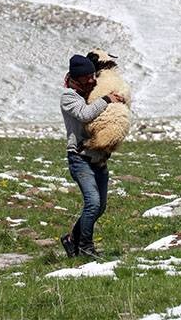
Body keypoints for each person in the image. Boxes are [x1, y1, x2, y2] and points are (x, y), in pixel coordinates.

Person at [59, 54, 125, 258]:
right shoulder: (69, 98)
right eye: (86, 77)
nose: (91, 80)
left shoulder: (91, 93)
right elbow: (85, 115)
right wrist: (106, 99)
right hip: (80, 158)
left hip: (98, 158)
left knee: (100, 206)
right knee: (93, 203)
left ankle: (72, 239)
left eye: (92, 75)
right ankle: (86, 248)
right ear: (76, 79)